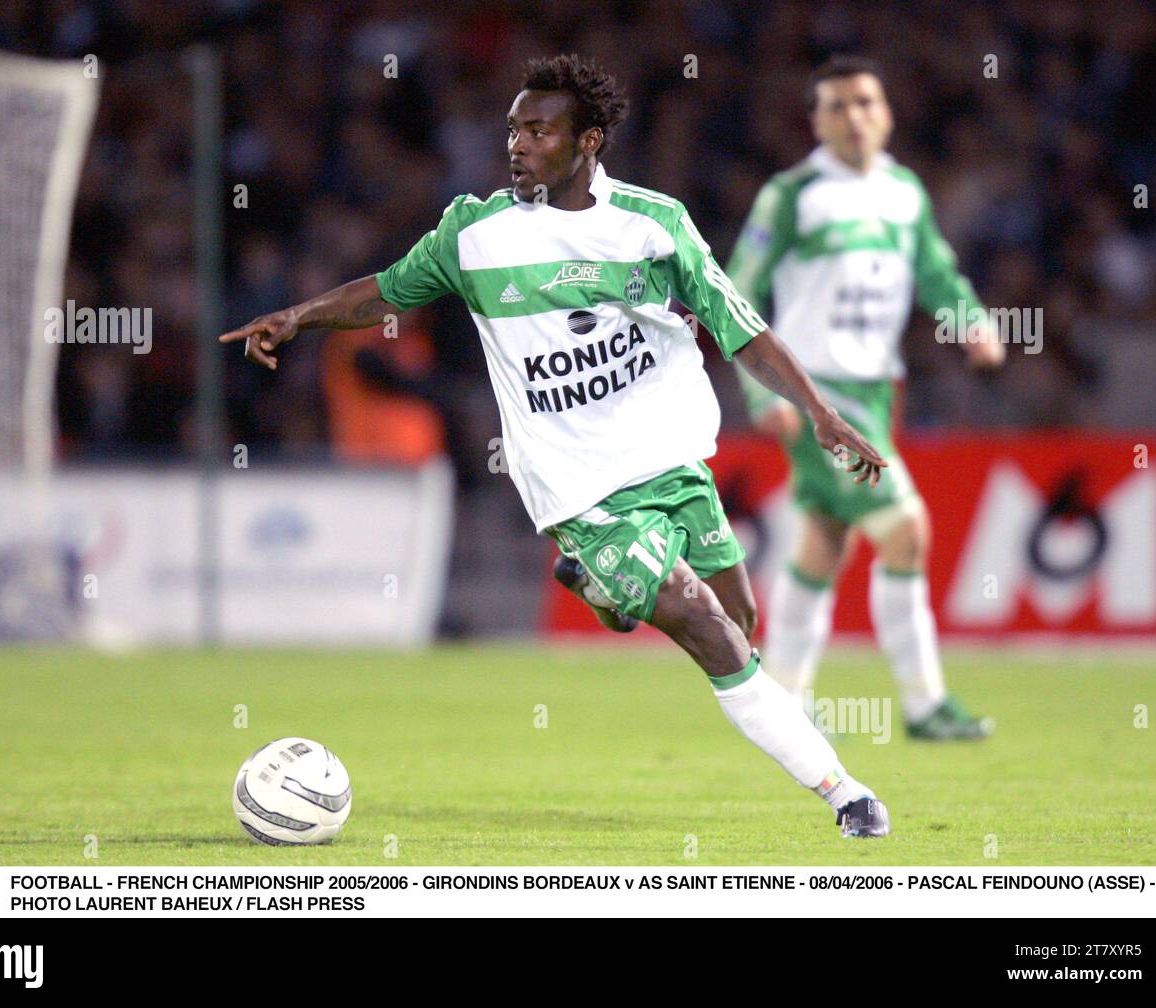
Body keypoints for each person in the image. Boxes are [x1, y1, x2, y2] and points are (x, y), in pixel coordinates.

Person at [221, 55, 892, 836]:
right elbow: (387, 288)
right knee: (703, 619)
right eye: (514, 129)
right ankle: (848, 795)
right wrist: (297, 316)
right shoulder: (474, 233)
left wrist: (817, 410)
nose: (518, 144)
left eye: (539, 130)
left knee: (742, 618)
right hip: (576, 484)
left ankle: (609, 594)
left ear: (589, 142)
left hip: (668, 458)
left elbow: (741, 325)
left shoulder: (653, 224)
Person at [726, 56, 1003, 740]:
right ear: (816, 120)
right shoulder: (791, 195)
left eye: (866, 102)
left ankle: (783, 699)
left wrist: (969, 319)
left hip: (879, 390)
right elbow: (735, 290)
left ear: (887, 113)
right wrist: (764, 398)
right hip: (820, 398)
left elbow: (936, 273)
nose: (854, 117)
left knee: (824, 539)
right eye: (838, 106)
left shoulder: (905, 192)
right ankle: (923, 704)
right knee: (906, 532)